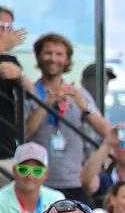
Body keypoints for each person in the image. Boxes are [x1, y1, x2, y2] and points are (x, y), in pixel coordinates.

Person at [25, 33, 110, 202]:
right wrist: (46, 103)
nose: (53, 59)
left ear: (67, 60)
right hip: (39, 180)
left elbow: (105, 130)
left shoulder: (79, 94)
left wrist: (84, 106)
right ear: (39, 57)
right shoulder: (30, 93)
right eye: (48, 53)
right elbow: (26, 132)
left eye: (59, 54)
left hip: (74, 181)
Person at [0, 6, 30, 179]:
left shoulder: (9, 60)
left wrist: (20, 75)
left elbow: (34, 94)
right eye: (2, 27)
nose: (7, 33)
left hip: (6, 149)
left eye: (9, 28)